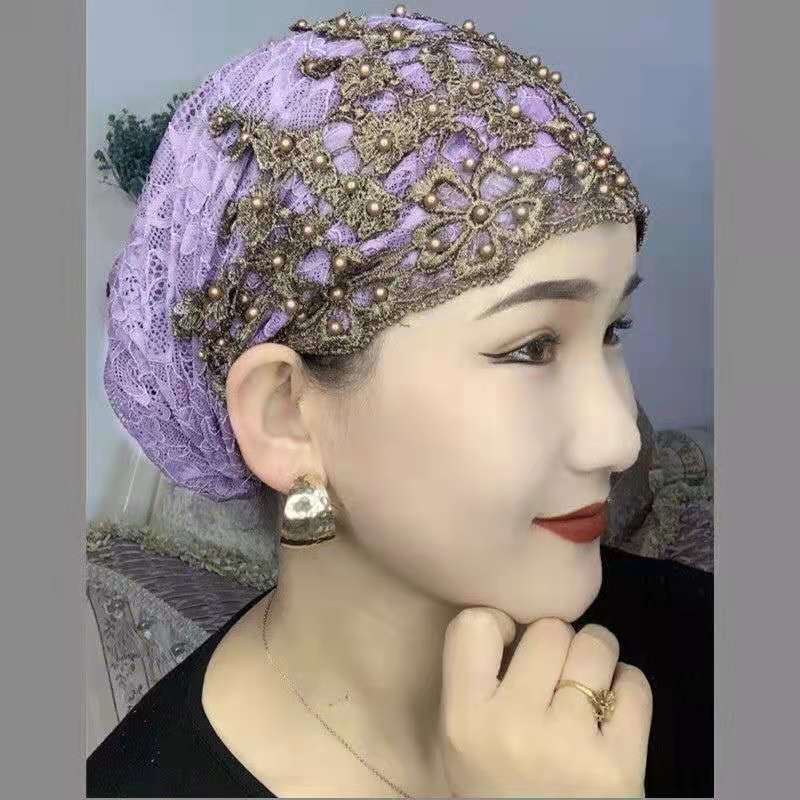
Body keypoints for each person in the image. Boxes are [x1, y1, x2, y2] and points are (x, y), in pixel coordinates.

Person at [88, 6, 713, 798]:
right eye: (531, 347)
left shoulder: (709, 646)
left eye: (612, 329)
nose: (620, 437)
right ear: (287, 416)